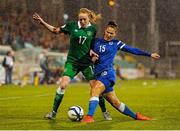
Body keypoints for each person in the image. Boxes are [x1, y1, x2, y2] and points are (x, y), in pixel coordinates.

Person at [33, 8, 112, 120]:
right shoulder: (72, 26)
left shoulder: (93, 29)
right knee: (63, 85)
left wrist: (92, 51)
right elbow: (55, 30)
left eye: (84, 19)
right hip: (72, 62)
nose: (82, 21)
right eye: (80, 19)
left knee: (96, 89)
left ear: (89, 19)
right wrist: (42, 22)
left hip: (86, 63)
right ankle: (53, 113)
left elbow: (91, 45)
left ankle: (105, 112)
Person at [82, 21, 160, 123]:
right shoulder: (95, 41)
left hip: (108, 73)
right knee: (115, 102)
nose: (109, 35)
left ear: (115, 34)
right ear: (105, 31)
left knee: (95, 90)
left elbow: (132, 50)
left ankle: (89, 117)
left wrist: (149, 54)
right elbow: (85, 49)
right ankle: (136, 116)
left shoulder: (116, 43)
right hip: (98, 74)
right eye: (108, 32)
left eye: (112, 33)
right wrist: (90, 54)